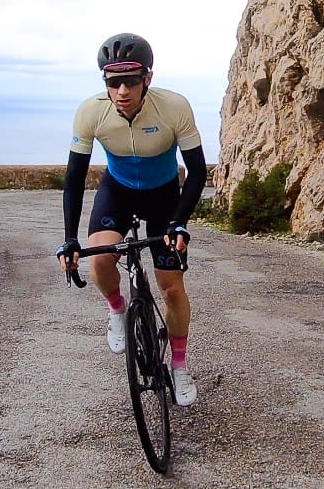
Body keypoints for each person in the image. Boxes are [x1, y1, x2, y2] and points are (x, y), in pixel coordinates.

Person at [55, 32, 207, 406]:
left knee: (171, 288)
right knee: (100, 259)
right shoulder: (91, 112)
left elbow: (198, 172)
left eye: (131, 80)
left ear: (147, 79)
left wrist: (179, 222)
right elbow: (74, 180)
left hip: (164, 196)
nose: (122, 90)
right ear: (104, 82)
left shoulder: (174, 108)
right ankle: (118, 310)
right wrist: (70, 239)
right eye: (112, 81)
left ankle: (180, 366)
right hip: (117, 191)